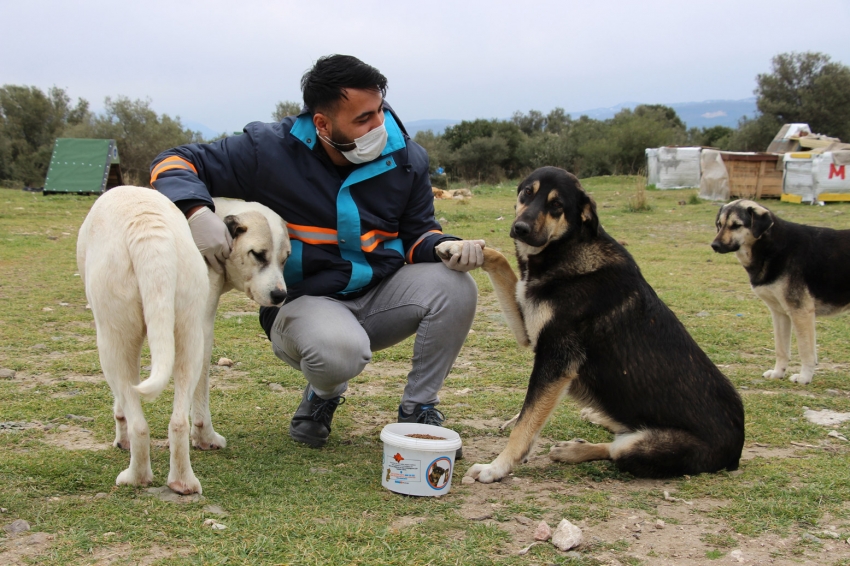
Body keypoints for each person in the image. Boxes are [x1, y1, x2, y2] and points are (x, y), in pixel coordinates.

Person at [150, 54, 484, 452]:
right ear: (322, 123)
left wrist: (441, 245)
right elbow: (172, 161)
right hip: (306, 303)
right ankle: (322, 394)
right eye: (362, 119)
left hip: (380, 293)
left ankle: (419, 408)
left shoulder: (407, 159)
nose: (378, 125)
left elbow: (418, 234)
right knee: (338, 353)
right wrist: (194, 210)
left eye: (379, 111)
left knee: (456, 285)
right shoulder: (267, 151)